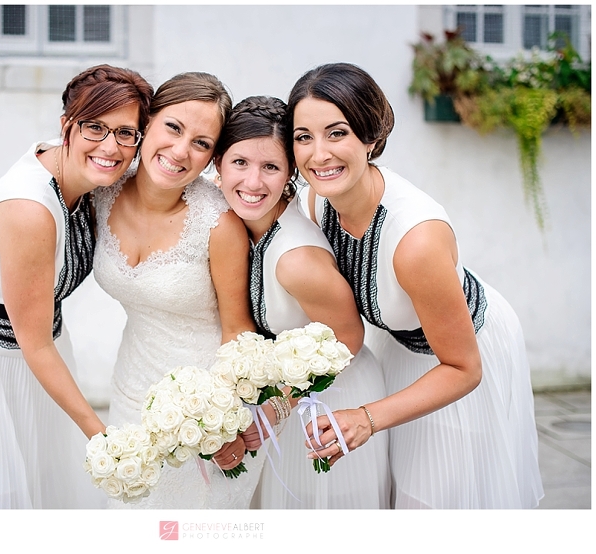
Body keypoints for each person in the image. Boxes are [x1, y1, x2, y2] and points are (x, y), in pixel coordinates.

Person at [288, 62, 544, 508]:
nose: (318, 154)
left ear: (370, 138)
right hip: (400, 341)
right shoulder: (316, 199)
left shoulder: (416, 239)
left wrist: (367, 417)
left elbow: (464, 368)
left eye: (337, 133)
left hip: (459, 352)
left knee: (436, 494)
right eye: (303, 137)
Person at [0, 65, 153, 509]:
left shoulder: (88, 172)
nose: (111, 146)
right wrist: (103, 437)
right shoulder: (31, 209)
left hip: (42, 356)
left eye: (127, 133)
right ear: (67, 125)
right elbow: (13, 218)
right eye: (96, 127)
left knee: (45, 492)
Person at [92, 72, 265, 509]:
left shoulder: (218, 223)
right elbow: (52, 166)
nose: (181, 151)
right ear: (148, 121)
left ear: (212, 157)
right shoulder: (104, 188)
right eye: (173, 127)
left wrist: (225, 424)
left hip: (203, 409)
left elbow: (238, 333)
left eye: (202, 143)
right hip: (131, 391)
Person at [213, 95, 391, 509]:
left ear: (291, 173)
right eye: (240, 163)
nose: (253, 183)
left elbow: (348, 337)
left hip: (331, 398)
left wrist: (278, 407)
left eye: (271, 167)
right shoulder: (244, 222)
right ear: (217, 164)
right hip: (289, 397)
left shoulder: (296, 261)